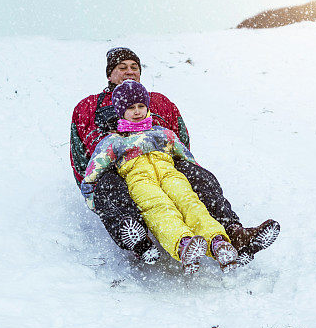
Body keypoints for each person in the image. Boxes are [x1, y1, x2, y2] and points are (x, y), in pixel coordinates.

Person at [70, 47, 279, 265]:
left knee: (201, 178)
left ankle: (234, 234)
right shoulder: (88, 106)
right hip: (119, 167)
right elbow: (80, 156)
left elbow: (181, 138)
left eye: (134, 67)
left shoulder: (158, 101)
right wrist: (90, 187)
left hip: (164, 163)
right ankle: (138, 239)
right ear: (109, 74)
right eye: (121, 67)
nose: (129, 71)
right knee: (108, 186)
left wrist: (179, 164)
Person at [81, 81, 239, 274]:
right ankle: (182, 244)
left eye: (141, 106)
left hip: (171, 175)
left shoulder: (163, 133)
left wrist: (196, 174)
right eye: (130, 108)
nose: (137, 111)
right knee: (159, 210)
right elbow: (92, 174)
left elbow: (186, 158)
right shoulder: (113, 141)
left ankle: (217, 242)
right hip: (139, 181)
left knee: (191, 204)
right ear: (120, 111)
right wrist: (93, 202)